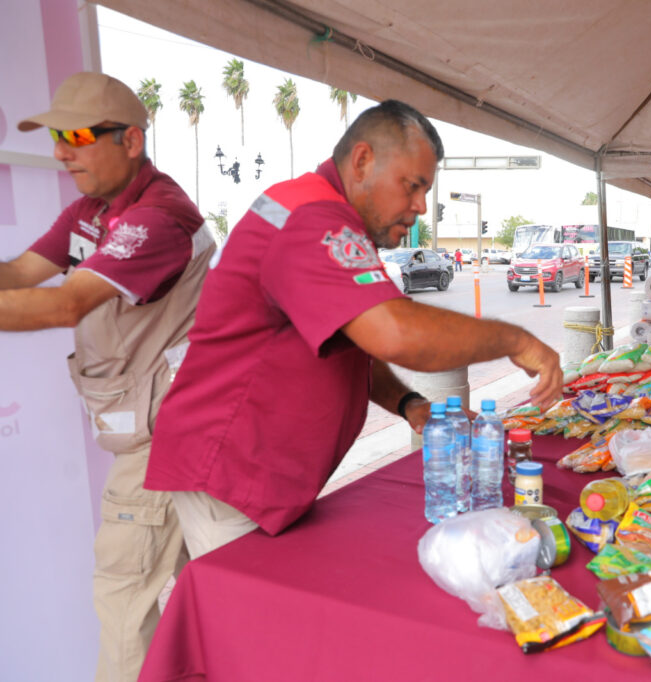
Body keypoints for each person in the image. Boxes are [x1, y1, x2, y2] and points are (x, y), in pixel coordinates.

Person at [144, 100, 562, 559]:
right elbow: (394, 334)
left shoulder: (322, 212)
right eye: (412, 186)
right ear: (362, 161)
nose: (421, 207)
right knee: (248, 616)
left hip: (261, 475)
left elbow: (352, 342)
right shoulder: (311, 218)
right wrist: (516, 340)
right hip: (232, 473)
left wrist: (408, 403)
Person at [0, 72, 213, 682]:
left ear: (132, 140)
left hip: (164, 438)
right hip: (164, 429)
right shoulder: (92, 213)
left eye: (75, 134)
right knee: (210, 587)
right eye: (56, 137)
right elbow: (19, 272)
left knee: (123, 602)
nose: (61, 151)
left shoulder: (157, 220)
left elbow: (65, 304)